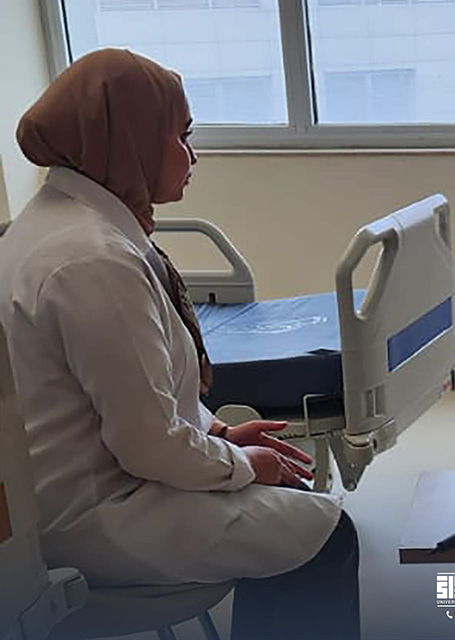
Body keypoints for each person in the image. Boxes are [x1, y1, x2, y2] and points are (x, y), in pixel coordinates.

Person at [0, 49, 359, 640]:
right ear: (130, 139)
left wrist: (217, 436)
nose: (194, 155)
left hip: (76, 493)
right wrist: (240, 465)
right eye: (182, 136)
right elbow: (148, 444)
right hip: (98, 516)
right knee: (327, 536)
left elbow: (131, 393)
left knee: (290, 513)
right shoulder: (93, 261)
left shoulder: (53, 225)